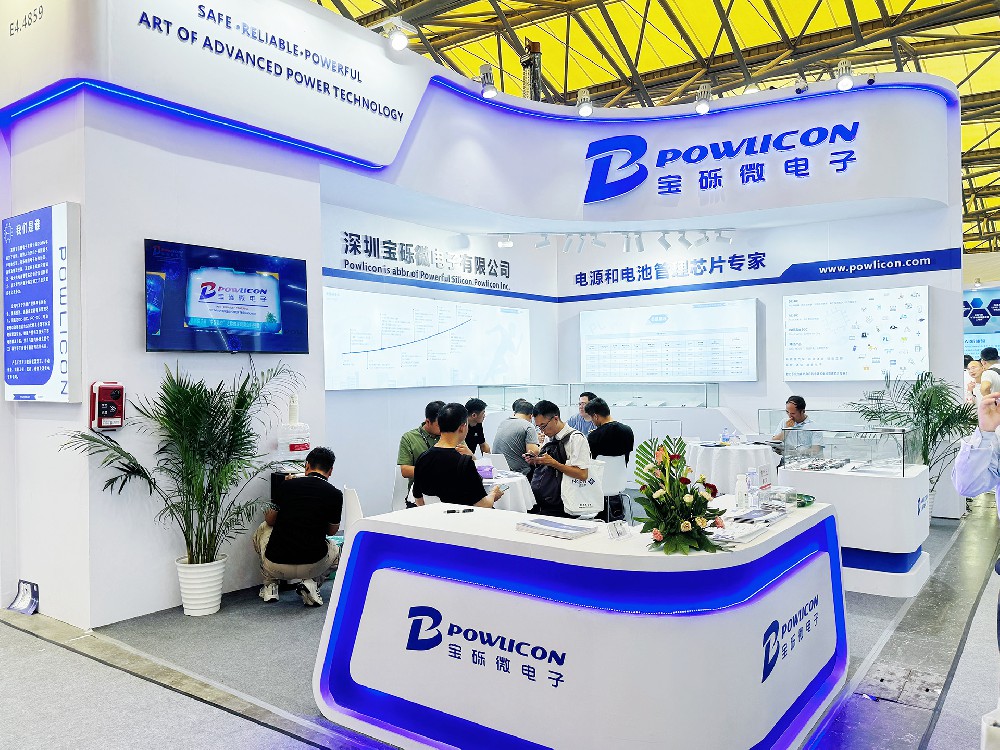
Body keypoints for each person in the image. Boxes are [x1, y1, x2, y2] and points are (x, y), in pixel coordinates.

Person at [253, 447, 342, 607]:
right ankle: (312, 583)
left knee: (263, 528)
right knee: (336, 549)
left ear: (307, 466)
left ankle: (270, 585)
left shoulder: (286, 486)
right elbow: (332, 531)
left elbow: (270, 520)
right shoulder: (335, 494)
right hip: (313, 565)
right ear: (330, 471)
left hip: (276, 565)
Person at [412, 403, 504, 508]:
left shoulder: (423, 458)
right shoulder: (465, 463)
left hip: (433, 516)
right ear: (462, 427)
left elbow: (419, 500)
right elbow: (483, 505)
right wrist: (493, 494)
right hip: (464, 517)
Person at [527, 400, 590, 517]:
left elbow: (582, 474)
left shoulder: (576, 439)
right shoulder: (549, 438)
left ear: (555, 419)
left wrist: (554, 464)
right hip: (547, 499)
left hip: (566, 503)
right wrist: (536, 461)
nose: (542, 431)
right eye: (538, 427)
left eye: (543, 426)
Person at [585, 397, 634, 522]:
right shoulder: (628, 431)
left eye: (591, 418)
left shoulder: (594, 436)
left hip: (597, 486)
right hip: (619, 484)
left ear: (596, 416)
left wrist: (593, 434)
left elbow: (589, 461)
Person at [492, 398, 540, 475]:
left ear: (515, 413)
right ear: (531, 416)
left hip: (498, 471)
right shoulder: (528, 426)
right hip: (518, 473)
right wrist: (540, 445)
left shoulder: (503, 423)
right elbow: (533, 453)